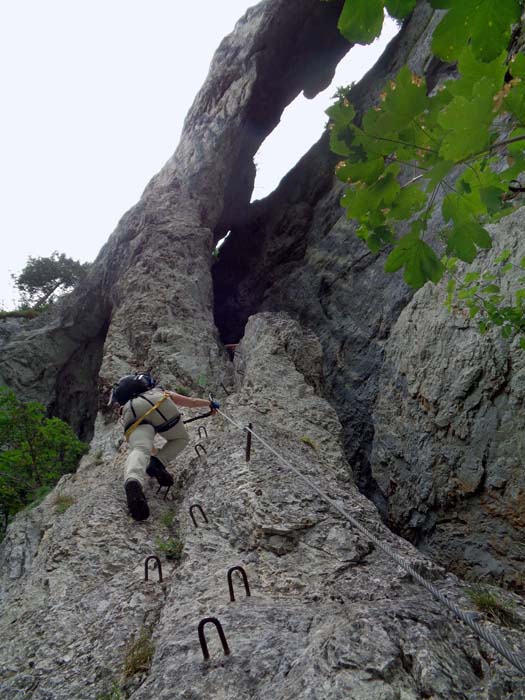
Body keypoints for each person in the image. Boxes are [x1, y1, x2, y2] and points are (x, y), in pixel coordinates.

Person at [111, 373, 219, 521]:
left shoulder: (126, 406)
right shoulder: (158, 390)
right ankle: (157, 463)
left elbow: (147, 447)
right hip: (160, 403)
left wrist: (149, 452)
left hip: (133, 412)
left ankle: (133, 480)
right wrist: (209, 403)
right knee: (180, 439)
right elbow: (191, 402)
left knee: (140, 449)